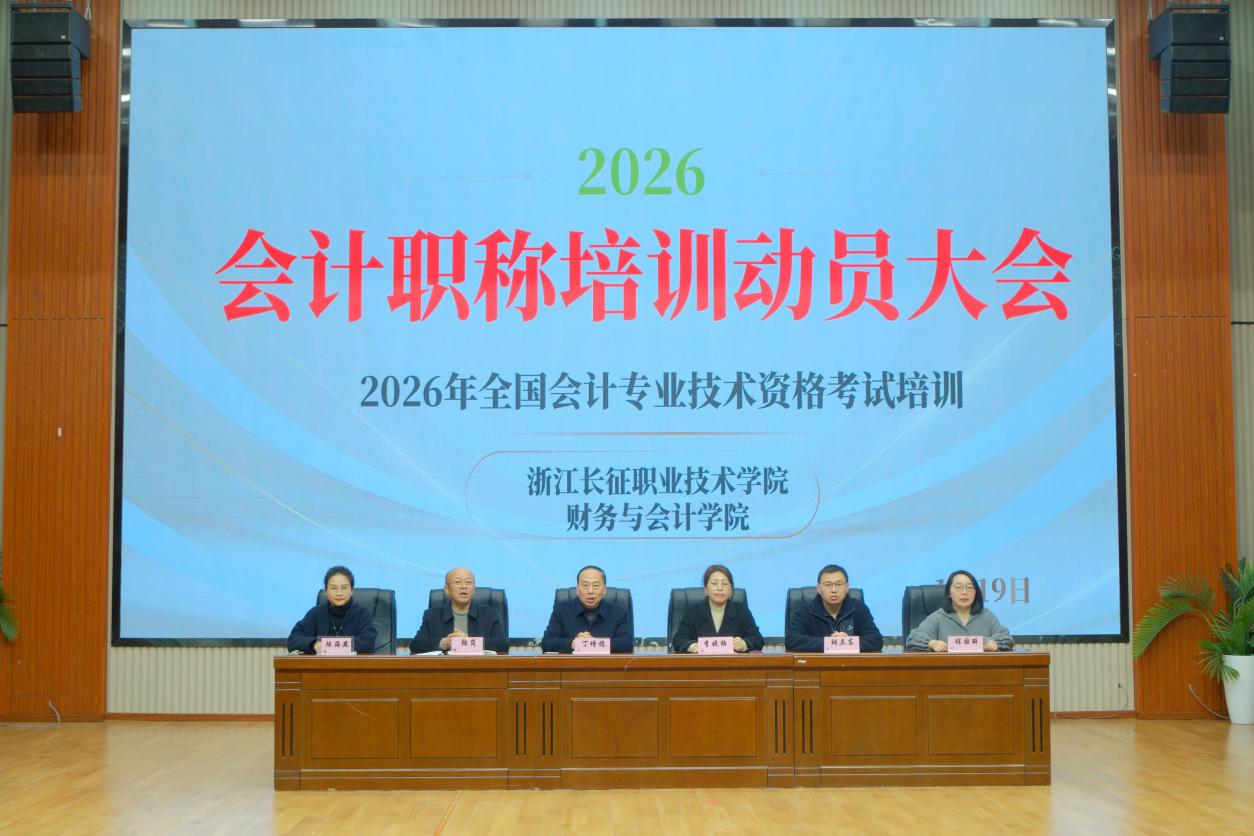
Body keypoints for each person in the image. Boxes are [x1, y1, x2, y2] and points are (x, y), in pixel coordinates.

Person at [905, 569, 1015, 652]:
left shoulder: (986, 616)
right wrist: (931, 643)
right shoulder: (939, 617)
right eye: (958, 587)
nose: (964, 592)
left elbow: (1006, 638)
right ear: (949, 593)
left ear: (975, 593)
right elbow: (913, 638)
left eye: (969, 587)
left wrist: (996, 642)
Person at [785, 563, 884, 652]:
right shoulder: (804, 611)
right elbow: (791, 640)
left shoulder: (858, 609)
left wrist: (845, 643)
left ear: (847, 587)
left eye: (839, 584)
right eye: (828, 585)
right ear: (818, 588)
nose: (834, 590)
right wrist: (831, 643)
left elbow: (876, 640)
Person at [410, 567, 507, 654]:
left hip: (479, 667)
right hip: (444, 666)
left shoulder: (490, 614)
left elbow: (503, 644)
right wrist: (443, 643)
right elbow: (416, 645)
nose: (464, 586)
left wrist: (468, 642)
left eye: (468, 582)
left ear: (473, 589)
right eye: (457, 582)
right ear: (447, 589)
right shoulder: (432, 615)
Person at [671, 564, 764, 653]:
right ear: (705, 589)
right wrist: (692, 646)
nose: (719, 588)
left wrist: (744, 643)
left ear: (731, 590)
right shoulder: (692, 612)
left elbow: (758, 639)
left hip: (732, 663)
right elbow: (678, 639)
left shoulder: (741, 611)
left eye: (725, 584)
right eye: (714, 583)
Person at [541, 565, 633, 653]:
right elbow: (547, 643)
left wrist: (593, 643)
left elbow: (627, 643)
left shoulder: (619, 612)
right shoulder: (562, 610)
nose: (590, 591)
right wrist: (574, 643)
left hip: (606, 664)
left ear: (604, 589)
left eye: (596, 585)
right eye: (585, 585)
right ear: (577, 589)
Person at [287, 565, 378, 654]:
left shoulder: (362, 613)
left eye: (344, 588)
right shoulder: (316, 613)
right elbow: (293, 640)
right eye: (334, 588)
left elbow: (367, 642)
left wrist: (329, 647)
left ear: (351, 590)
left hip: (354, 664)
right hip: (322, 664)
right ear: (326, 591)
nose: (339, 593)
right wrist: (314, 644)